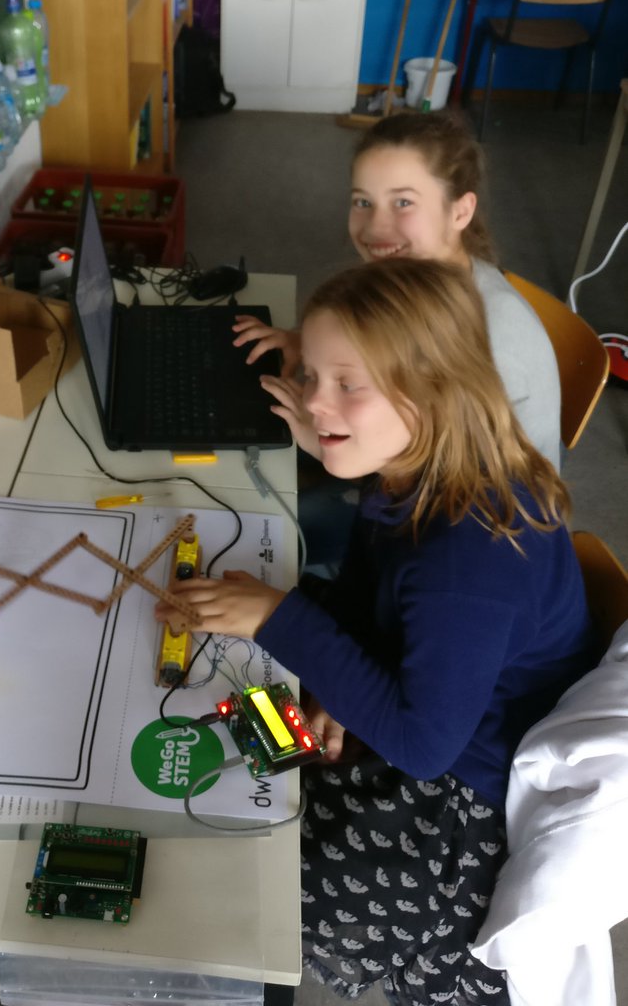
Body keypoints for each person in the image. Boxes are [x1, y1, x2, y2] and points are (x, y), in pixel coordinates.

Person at [156, 258, 593, 1006]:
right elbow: (373, 604)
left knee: (232, 875)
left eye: (345, 384)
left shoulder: (469, 558)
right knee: (241, 728)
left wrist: (276, 617)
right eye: (309, 375)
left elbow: (425, 747)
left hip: (461, 811)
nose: (312, 401)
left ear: (430, 393)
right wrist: (331, 684)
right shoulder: (412, 473)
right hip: (424, 715)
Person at [233, 110, 562, 471]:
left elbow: (447, 483)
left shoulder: (489, 343)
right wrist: (314, 352)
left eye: (403, 202)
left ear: (460, 211)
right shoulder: (414, 280)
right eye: (363, 202)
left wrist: (318, 446)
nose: (376, 227)